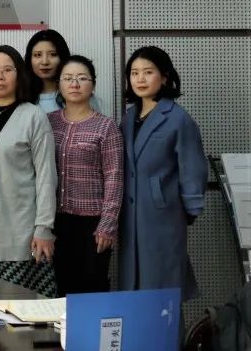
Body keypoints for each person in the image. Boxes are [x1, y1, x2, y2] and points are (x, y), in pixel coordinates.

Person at [118, 46, 207, 301]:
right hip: (130, 216)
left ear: (165, 77)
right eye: (134, 73)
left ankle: (169, 330)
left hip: (163, 214)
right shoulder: (129, 118)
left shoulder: (178, 118)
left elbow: (192, 166)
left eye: (148, 72)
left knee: (163, 285)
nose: (140, 79)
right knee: (133, 284)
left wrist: (190, 208)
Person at [0, 45, 58, 297]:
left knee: (19, 299)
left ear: (19, 74)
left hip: (21, 223)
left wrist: (44, 227)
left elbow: (46, 177)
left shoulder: (34, 116)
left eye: (7, 70)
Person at [48, 55, 122, 296]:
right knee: (61, 292)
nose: (75, 84)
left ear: (93, 84)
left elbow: (114, 177)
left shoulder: (106, 127)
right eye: (68, 78)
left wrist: (107, 225)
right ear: (59, 84)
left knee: (92, 288)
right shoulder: (49, 122)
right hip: (57, 221)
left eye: (82, 78)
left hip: (93, 224)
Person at [25, 29, 72, 114]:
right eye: (38, 55)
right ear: (29, 59)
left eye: (53, 54)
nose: (45, 62)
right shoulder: (20, 98)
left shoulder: (79, 95)